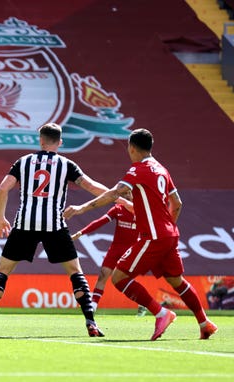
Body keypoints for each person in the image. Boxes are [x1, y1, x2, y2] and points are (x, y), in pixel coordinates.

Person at [64, 128, 218, 340]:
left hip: (153, 236)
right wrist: (168, 227)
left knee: (118, 277)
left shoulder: (138, 170)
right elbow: (178, 204)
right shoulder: (162, 169)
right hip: (170, 234)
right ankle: (204, 322)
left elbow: (114, 193)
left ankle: (162, 313)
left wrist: (81, 208)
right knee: (177, 281)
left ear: (132, 148)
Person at [0, 122, 113, 337]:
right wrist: (117, 196)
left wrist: (0, 218)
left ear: (40, 140)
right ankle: (91, 323)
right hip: (54, 224)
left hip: (25, 223)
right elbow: (92, 187)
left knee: (2, 271)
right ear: (60, 142)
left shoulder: (23, 161)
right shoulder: (66, 164)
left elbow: (3, 189)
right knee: (75, 272)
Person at [71, 203, 145, 316]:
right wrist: (81, 232)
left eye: (129, 193)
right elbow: (100, 221)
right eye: (124, 193)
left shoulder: (142, 210)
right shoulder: (118, 209)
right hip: (115, 248)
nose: (127, 195)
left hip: (132, 250)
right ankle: (93, 306)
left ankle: (143, 303)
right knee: (103, 274)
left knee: (127, 279)